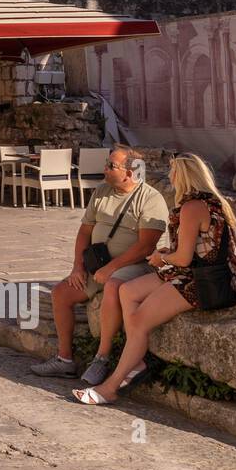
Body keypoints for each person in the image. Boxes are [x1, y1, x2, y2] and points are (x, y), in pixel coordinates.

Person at [74, 152, 236, 405]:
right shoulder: (209, 201)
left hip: (202, 282)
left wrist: (162, 258)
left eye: (172, 171)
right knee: (126, 291)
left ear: (182, 175)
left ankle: (112, 386)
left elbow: (182, 259)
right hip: (195, 270)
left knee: (138, 320)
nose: (169, 176)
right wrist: (168, 255)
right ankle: (135, 361)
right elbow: (193, 251)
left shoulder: (193, 207)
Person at [31, 145, 169, 383]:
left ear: (129, 172)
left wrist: (112, 267)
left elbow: (146, 246)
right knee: (61, 293)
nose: (104, 169)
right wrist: (77, 266)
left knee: (114, 285)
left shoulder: (150, 199)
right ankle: (65, 360)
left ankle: (101, 358)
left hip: (133, 265)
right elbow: (85, 231)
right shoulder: (102, 192)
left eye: (111, 166)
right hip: (98, 264)